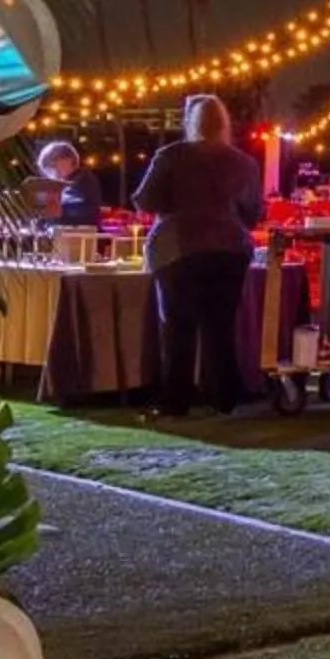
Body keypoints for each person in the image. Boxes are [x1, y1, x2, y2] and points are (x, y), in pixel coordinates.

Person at [131, 94, 265, 418]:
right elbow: (253, 213)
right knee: (221, 327)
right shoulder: (244, 163)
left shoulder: (171, 156)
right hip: (230, 250)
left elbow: (145, 200)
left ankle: (176, 400)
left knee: (178, 328)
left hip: (180, 248)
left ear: (190, 121)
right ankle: (224, 398)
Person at [29, 140, 102, 228]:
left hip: (80, 233)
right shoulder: (65, 182)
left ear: (69, 160)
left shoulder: (83, 179)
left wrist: (57, 209)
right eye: (49, 168)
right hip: (66, 231)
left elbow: (87, 209)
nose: (53, 171)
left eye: (54, 164)